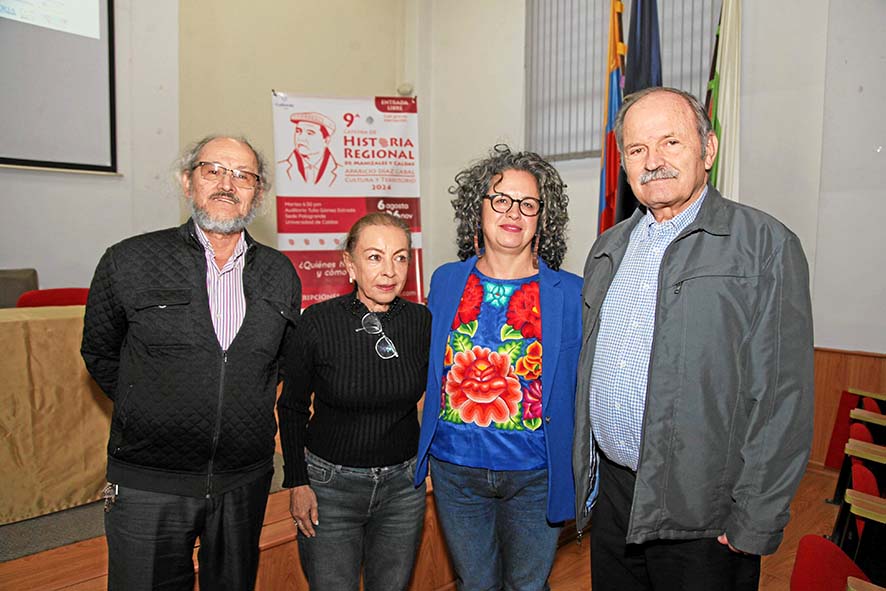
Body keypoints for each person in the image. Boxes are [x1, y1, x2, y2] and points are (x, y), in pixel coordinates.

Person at [572, 87, 814, 591]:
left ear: (708, 148)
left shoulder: (765, 246)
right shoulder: (608, 248)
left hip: (705, 513)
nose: (652, 161)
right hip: (616, 497)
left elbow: (782, 399)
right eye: (637, 150)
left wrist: (755, 518)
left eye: (670, 143)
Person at [81, 135, 302, 591]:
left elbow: (274, 365)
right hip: (150, 482)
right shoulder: (129, 260)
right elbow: (100, 352)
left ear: (257, 194)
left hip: (243, 481)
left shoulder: (281, 273)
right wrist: (151, 404)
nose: (227, 183)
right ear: (188, 181)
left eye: (243, 175)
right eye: (213, 170)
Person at [415, 145, 582, 590]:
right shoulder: (446, 280)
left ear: (543, 218)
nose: (514, 212)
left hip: (535, 475)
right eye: (501, 199)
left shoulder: (571, 292)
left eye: (528, 204)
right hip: (455, 472)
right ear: (480, 209)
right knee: (475, 584)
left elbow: (581, 386)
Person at [278, 212, 431, 591]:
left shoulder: (422, 322)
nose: (389, 271)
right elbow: (292, 407)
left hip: (402, 489)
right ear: (349, 263)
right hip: (330, 489)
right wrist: (297, 481)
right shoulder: (316, 322)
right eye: (375, 257)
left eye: (399, 257)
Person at [277, 111, 341, 187]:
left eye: (310, 133)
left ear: (326, 141)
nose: (301, 138)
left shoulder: (341, 172)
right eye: (298, 131)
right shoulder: (280, 169)